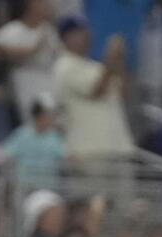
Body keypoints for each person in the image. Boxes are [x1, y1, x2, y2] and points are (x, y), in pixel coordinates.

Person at [51, 17, 134, 167]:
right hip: (89, 151)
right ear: (66, 38)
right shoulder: (64, 65)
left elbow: (122, 93)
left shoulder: (95, 66)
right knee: (95, 192)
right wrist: (111, 57)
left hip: (116, 147)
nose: (86, 35)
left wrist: (119, 59)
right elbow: (96, 90)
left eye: (85, 31)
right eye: (79, 32)